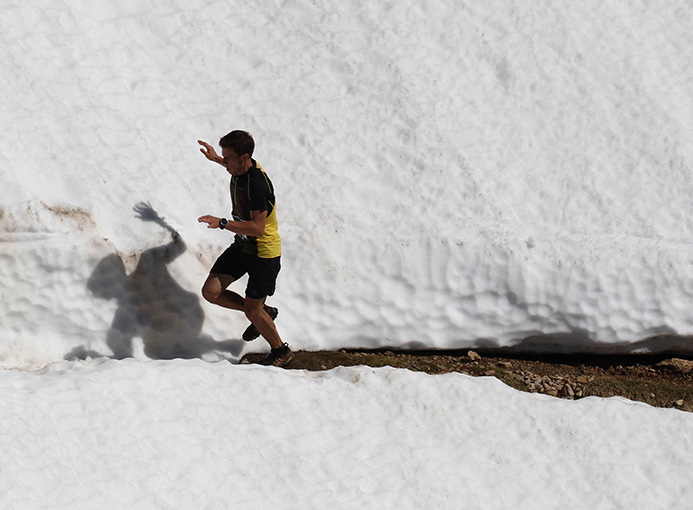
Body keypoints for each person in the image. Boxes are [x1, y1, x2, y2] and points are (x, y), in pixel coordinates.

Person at [197, 130, 293, 367]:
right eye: (224, 157)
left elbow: (258, 228)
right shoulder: (240, 169)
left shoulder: (258, 185)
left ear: (245, 157)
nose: (225, 161)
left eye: (227, 158)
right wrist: (216, 160)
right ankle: (261, 313)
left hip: (264, 253)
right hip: (242, 247)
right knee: (211, 292)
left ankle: (281, 351)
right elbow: (231, 166)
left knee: (253, 310)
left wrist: (222, 223)